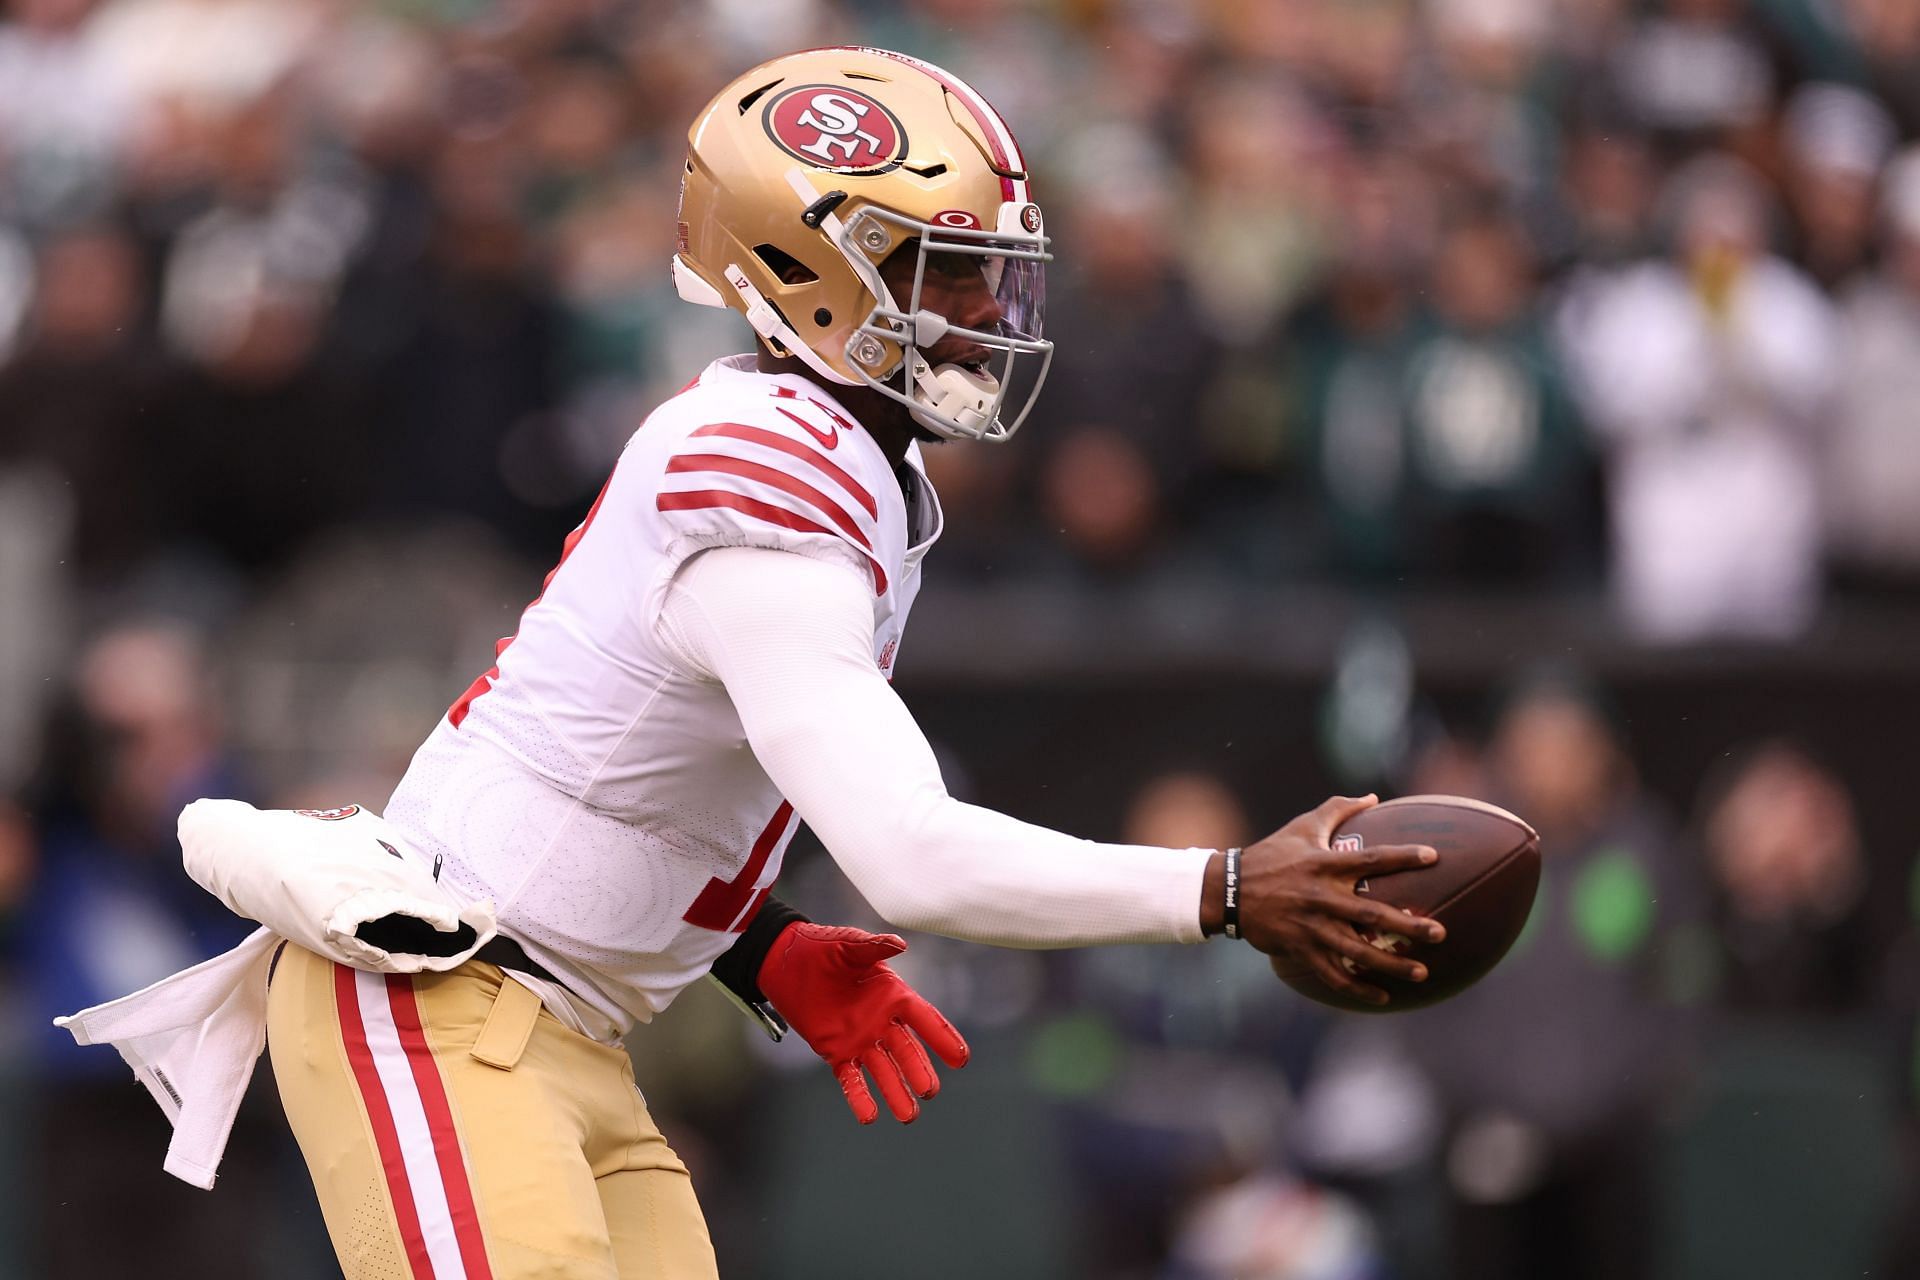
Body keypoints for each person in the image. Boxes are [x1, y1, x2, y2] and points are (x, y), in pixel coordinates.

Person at [257, 46, 1446, 1279]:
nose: (992, 311)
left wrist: (751, 938)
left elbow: (607, 762)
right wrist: (1232, 888)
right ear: (814, 275)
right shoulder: (776, 485)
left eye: (998, 273)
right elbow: (912, 858)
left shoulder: (851, 466)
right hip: (440, 997)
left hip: (555, 1020)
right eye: (956, 272)